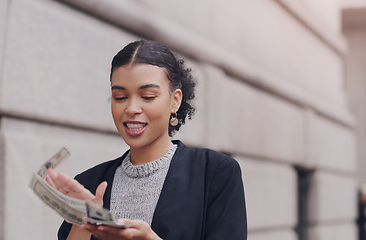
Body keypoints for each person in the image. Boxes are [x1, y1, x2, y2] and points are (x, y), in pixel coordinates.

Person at [46, 40, 247, 240]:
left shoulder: (215, 173)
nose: (132, 108)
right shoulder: (89, 184)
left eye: (148, 96)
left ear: (175, 100)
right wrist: (81, 222)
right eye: (120, 97)